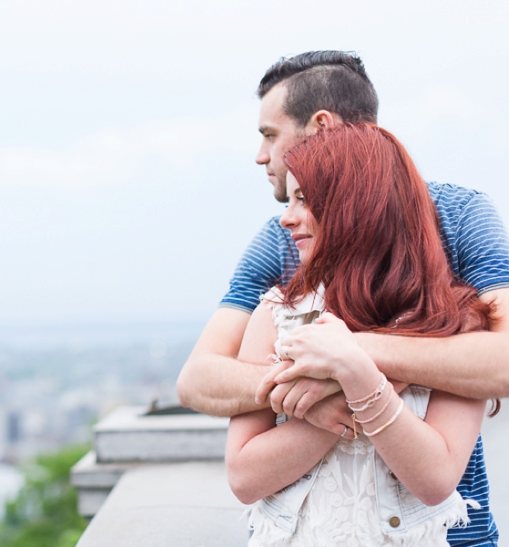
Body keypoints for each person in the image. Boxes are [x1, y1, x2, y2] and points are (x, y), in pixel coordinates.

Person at [176, 51, 509, 545]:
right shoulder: (280, 245)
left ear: (321, 126)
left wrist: (357, 359)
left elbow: (501, 360)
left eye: (269, 134)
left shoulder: (459, 215)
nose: (261, 155)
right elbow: (200, 379)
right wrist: (319, 389)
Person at [226, 123, 493, 546]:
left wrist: (355, 368)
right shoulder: (275, 313)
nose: (286, 217)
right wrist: (337, 401)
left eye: (304, 199)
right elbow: (243, 477)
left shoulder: (454, 323)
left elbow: (436, 479)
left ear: (358, 206)